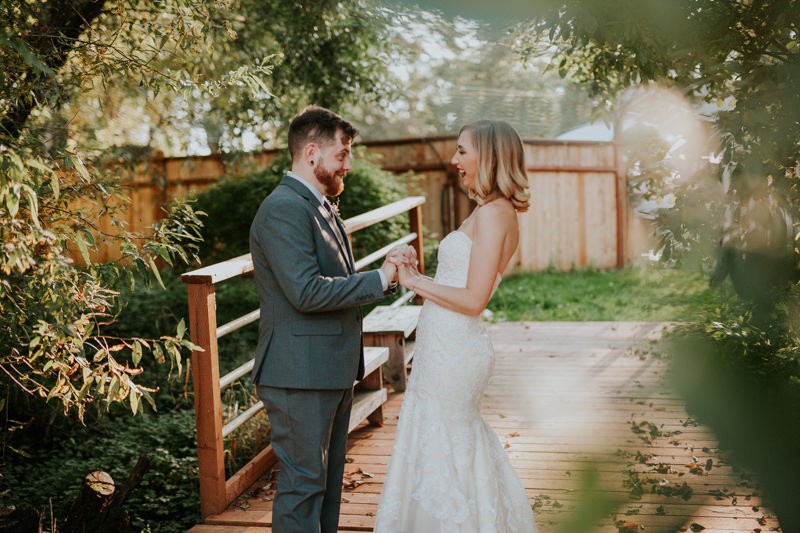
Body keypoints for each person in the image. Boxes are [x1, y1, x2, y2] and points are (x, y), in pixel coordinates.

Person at [249, 105, 415, 533]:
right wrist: (379, 277)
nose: (348, 164)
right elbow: (305, 291)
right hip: (298, 374)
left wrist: (387, 275)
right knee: (304, 486)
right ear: (311, 153)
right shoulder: (283, 208)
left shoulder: (319, 205)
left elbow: (334, 284)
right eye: (342, 154)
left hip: (328, 369)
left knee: (326, 484)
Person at [374, 119, 537, 532]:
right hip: (442, 351)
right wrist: (415, 271)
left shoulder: (497, 214)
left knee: (448, 449)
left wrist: (414, 283)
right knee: (440, 447)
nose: (454, 160)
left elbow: (474, 299)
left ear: (490, 154)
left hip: (456, 356)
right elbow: (457, 283)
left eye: (462, 150)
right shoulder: (487, 211)